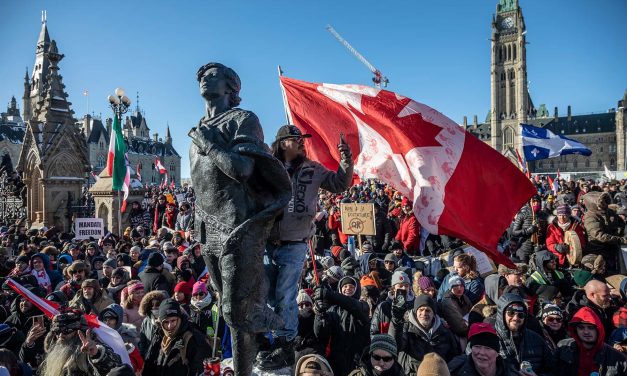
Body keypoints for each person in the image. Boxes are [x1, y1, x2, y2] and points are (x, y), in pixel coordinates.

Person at [189, 62, 292, 375]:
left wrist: (209, 145)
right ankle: (248, 357)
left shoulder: (242, 119)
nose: (204, 78)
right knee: (225, 304)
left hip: (238, 226)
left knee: (237, 309)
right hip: (207, 228)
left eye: (213, 75)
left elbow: (242, 170)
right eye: (201, 76)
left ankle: (277, 326)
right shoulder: (197, 127)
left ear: (231, 87)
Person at [259, 124, 353, 370]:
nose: (302, 142)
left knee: (285, 293)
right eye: (295, 138)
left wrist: (346, 159)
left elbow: (339, 183)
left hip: (295, 243)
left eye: (303, 139)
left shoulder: (313, 169)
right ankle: (277, 339)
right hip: (267, 242)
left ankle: (287, 342)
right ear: (282, 143)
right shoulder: (267, 168)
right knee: (270, 295)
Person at [313, 276, 370, 376]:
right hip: (336, 363)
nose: (348, 288)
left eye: (352, 287)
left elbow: (352, 306)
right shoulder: (333, 309)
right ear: (340, 289)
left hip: (358, 362)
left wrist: (330, 294)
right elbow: (321, 334)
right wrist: (320, 313)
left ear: (357, 290)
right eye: (345, 286)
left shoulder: (363, 306)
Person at [388, 295, 460, 374]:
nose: (424, 313)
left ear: (433, 314)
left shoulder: (445, 332)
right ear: (416, 312)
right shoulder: (407, 328)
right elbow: (395, 346)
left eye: (428, 310)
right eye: (421, 310)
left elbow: (454, 356)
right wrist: (396, 321)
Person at [40, 309, 123, 376]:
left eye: (66, 331)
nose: (61, 335)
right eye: (57, 332)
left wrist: (96, 354)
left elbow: (116, 369)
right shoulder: (55, 346)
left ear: (78, 332)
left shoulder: (93, 348)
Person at [144, 298, 211, 376]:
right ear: (161, 323)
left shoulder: (194, 339)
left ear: (179, 319)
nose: (170, 326)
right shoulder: (159, 336)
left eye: (173, 321)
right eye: (166, 322)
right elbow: (149, 366)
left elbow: (200, 370)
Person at [494, 293, 554, 375]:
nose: (516, 318)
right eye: (511, 313)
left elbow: (551, 370)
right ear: (502, 313)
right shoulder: (489, 340)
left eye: (520, 315)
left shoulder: (537, 340)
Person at [555, 307, 627, 376]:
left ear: (598, 329)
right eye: (581, 327)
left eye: (590, 327)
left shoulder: (619, 359)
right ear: (575, 330)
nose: (586, 332)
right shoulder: (563, 347)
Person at [583, 191, 626, 272]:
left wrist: (620, 230)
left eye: (604, 201)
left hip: (612, 248)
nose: (604, 204)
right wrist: (621, 240)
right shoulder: (590, 217)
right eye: (601, 203)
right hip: (597, 250)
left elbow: (620, 224)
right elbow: (599, 235)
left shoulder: (609, 211)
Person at [371, 271, 414, 336]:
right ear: (394, 288)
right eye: (400, 286)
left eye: (406, 285)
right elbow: (374, 331)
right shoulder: (384, 306)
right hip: (387, 343)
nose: (404, 288)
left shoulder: (414, 304)